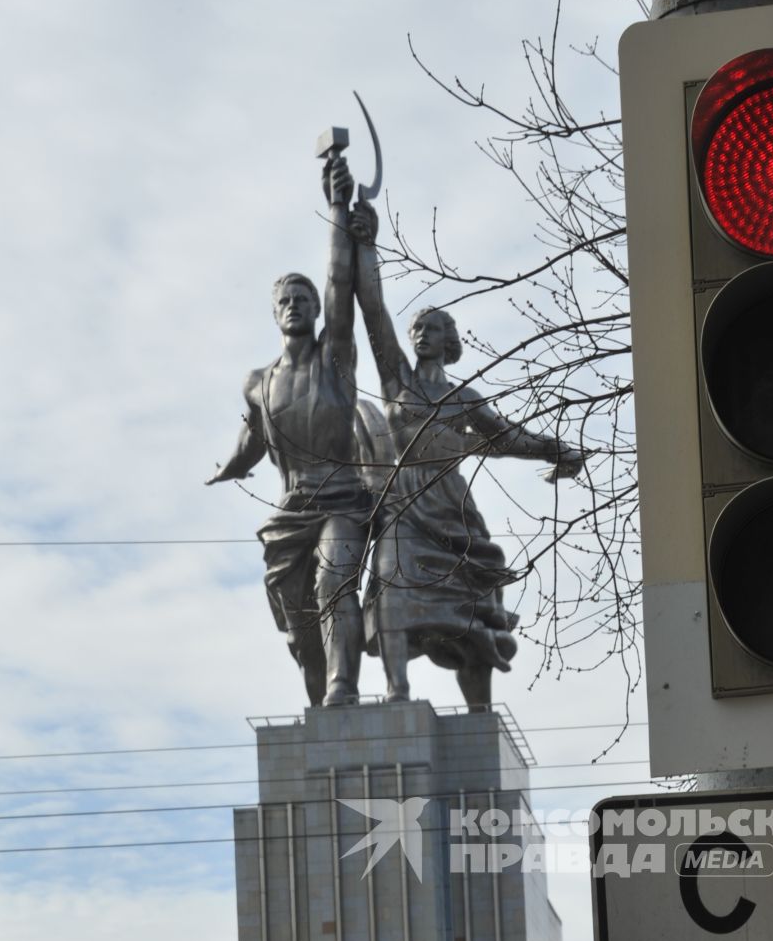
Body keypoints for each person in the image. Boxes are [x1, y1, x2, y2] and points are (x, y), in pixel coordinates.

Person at [349, 197, 585, 709]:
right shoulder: (398, 383)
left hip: (451, 509)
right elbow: (373, 310)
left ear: (449, 341)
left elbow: (505, 438)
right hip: (402, 503)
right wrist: (366, 247)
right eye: (416, 328)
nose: (419, 333)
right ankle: (397, 694)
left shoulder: (464, 399)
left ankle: (479, 708)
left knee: (471, 612)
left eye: (431, 327)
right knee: (390, 588)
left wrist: (554, 449)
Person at [205, 152, 373, 707]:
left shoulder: (336, 358)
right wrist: (229, 467)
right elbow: (252, 438)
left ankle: (342, 686)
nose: (296, 306)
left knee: (334, 582)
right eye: (286, 300)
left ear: (318, 311)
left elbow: (339, 277)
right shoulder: (258, 380)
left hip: (344, 498)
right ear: (274, 313)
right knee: (296, 611)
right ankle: (320, 682)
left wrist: (335, 203)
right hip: (291, 508)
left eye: (305, 300)